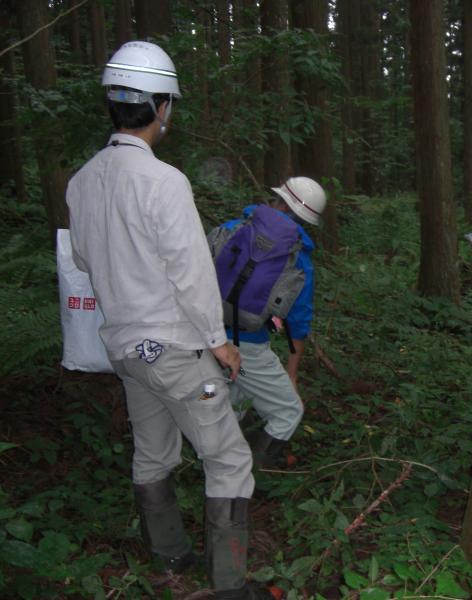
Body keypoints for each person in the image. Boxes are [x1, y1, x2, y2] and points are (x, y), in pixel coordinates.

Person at [67, 41, 276, 600]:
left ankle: (168, 554)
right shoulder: (164, 182)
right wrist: (220, 342)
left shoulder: (82, 181)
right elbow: (191, 271)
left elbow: (84, 260)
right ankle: (230, 586)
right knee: (229, 459)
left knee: (153, 452)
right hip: (177, 350)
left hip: (127, 351)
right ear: (161, 107)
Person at [223, 177, 326, 469]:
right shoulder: (298, 259)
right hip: (249, 347)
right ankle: (253, 472)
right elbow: (298, 322)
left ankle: (218, 462)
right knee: (288, 411)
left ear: (277, 201)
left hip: (208, 337)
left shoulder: (233, 228)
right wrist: (292, 374)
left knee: (233, 400)